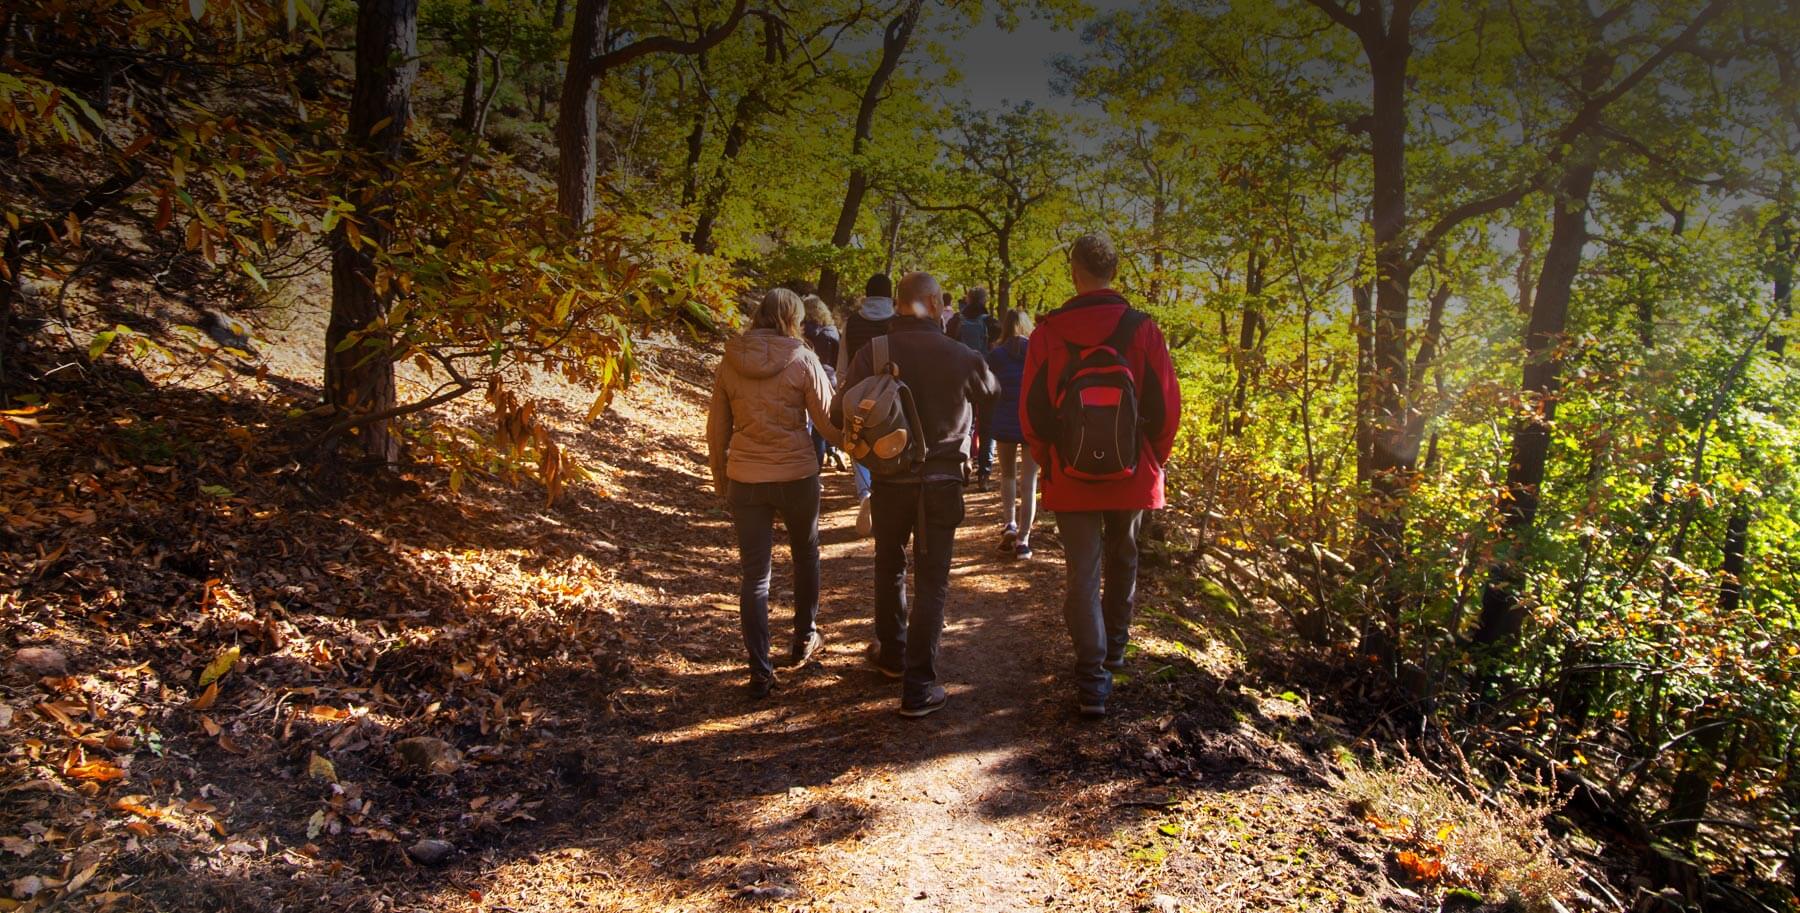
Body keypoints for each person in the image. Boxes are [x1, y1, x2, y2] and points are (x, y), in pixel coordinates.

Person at [1021, 235, 1180, 719]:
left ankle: (1093, 682)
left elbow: (1032, 411)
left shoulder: (1048, 332)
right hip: (1131, 472)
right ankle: (1115, 651)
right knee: (1124, 559)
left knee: (1082, 574)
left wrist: (1050, 462)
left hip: (1071, 476)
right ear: (1114, 271)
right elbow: (1167, 404)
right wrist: (1155, 457)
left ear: (1074, 271)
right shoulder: (1142, 328)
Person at [833, 271, 998, 718]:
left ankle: (891, 655)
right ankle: (919, 684)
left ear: (900, 304)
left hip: (890, 477)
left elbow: (838, 411)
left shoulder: (875, 351)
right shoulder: (961, 354)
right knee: (933, 579)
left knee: (889, 564)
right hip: (942, 481)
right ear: (929, 302)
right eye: (941, 301)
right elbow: (991, 392)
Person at [708, 289, 840, 699]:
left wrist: (720, 475)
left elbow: (717, 428)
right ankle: (804, 636)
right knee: (806, 556)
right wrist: (866, 448)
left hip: (746, 476)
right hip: (797, 473)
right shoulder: (803, 358)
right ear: (794, 319)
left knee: (755, 577)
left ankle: (760, 670)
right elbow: (829, 422)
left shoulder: (731, 360)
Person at [837, 274, 896, 537]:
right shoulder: (897, 321)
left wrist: (843, 388)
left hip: (857, 391)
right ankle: (885, 493)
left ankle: (865, 493)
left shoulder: (852, 322)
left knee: (858, 444)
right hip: (890, 393)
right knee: (888, 442)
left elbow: (843, 362)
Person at [986, 308, 1037, 560]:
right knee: (1029, 483)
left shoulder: (996, 355)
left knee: (1007, 475)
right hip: (1032, 422)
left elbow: (989, 388)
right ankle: (1024, 540)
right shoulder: (1037, 353)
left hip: (1005, 420)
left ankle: (1010, 523)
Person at [947, 287, 1000, 488]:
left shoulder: (956, 322)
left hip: (961, 379)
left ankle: (965, 461)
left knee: (965, 424)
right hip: (986, 379)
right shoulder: (991, 323)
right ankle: (984, 475)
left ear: (967, 300)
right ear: (984, 299)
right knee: (987, 426)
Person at [801, 295, 846, 471]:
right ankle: (831, 450)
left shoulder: (801, 330)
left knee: (808, 424)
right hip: (829, 379)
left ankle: (813, 465)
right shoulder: (832, 331)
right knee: (825, 423)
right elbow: (839, 358)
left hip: (805, 377)